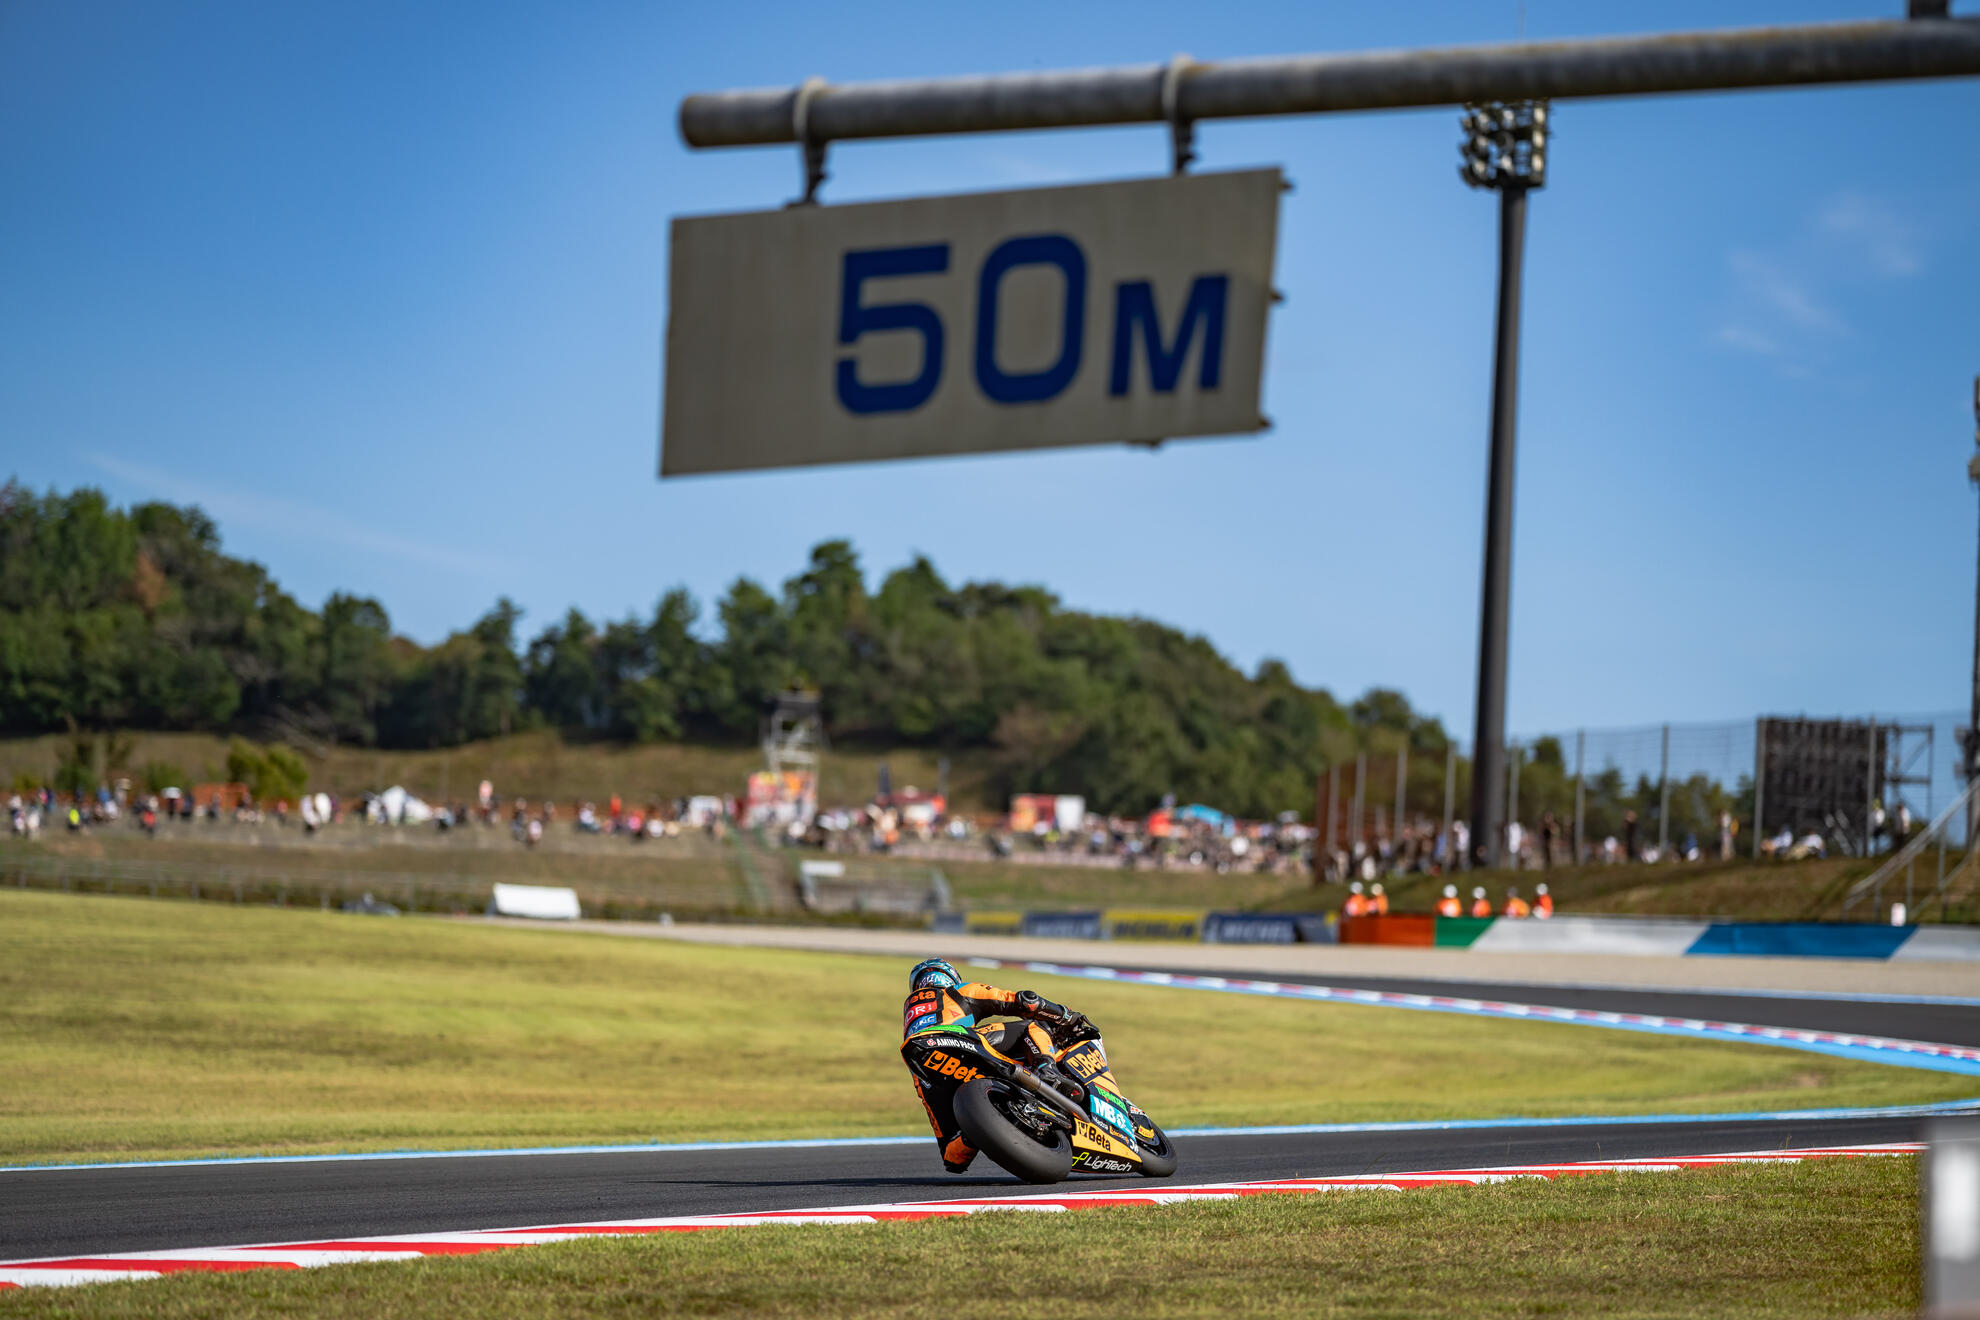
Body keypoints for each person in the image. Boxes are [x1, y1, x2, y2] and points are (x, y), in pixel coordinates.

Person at [899, 958, 1090, 1174]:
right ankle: (1047, 1071)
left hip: (921, 1068)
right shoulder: (957, 991)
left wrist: (977, 1125)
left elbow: (953, 1162)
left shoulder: (912, 1020)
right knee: (1033, 1026)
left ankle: (978, 1127)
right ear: (950, 977)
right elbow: (1026, 1001)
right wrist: (1067, 1016)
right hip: (958, 1039)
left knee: (952, 1155)